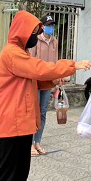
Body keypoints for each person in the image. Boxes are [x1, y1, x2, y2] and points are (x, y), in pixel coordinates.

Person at [0, 11, 91, 181]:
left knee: (21, 173)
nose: (36, 36)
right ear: (22, 32)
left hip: (23, 123)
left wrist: (53, 81)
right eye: (33, 32)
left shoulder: (21, 53)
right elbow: (37, 68)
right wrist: (71, 66)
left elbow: (32, 79)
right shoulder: (12, 52)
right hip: (8, 123)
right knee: (5, 176)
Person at [27, 15, 68, 156]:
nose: (50, 27)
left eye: (52, 25)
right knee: (34, 112)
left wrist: (58, 76)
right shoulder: (36, 41)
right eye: (48, 24)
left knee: (43, 112)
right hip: (36, 80)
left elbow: (55, 62)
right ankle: (30, 143)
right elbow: (31, 61)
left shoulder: (55, 41)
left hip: (48, 82)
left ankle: (37, 141)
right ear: (42, 26)